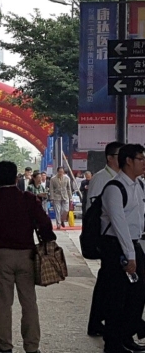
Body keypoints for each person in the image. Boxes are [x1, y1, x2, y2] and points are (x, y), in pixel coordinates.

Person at [0, 161, 56, 353]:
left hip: (2, 255)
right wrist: (48, 241)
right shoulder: (28, 199)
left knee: (3, 303)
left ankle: (4, 345)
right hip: (26, 255)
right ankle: (32, 346)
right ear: (16, 178)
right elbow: (45, 223)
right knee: (29, 302)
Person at [98, 144, 145, 353]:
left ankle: (127, 336)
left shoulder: (139, 185)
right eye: (140, 159)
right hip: (116, 247)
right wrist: (129, 255)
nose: (144, 163)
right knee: (117, 297)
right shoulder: (114, 188)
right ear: (128, 161)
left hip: (133, 244)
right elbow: (119, 225)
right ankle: (113, 343)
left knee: (137, 294)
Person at [86, 141, 124, 338]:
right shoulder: (101, 179)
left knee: (105, 283)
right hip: (107, 238)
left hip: (118, 237)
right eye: (120, 155)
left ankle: (98, 321)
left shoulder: (123, 178)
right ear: (110, 158)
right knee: (109, 283)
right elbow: (93, 212)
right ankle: (103, 323)